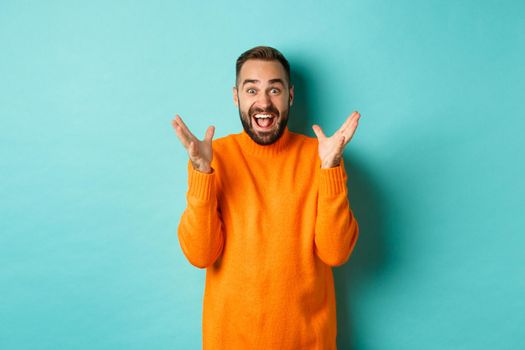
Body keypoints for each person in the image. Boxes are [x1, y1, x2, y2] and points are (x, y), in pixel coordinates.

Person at [171, 45, 361, 350]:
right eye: (251, 90)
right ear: (236, 97)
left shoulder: (321, 156)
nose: (263, 102)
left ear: (290, 96)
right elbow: (200, 255)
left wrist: (330, 168)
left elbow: (336, 252)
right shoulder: (213, 157)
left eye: (274, 89)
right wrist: (201, 172)